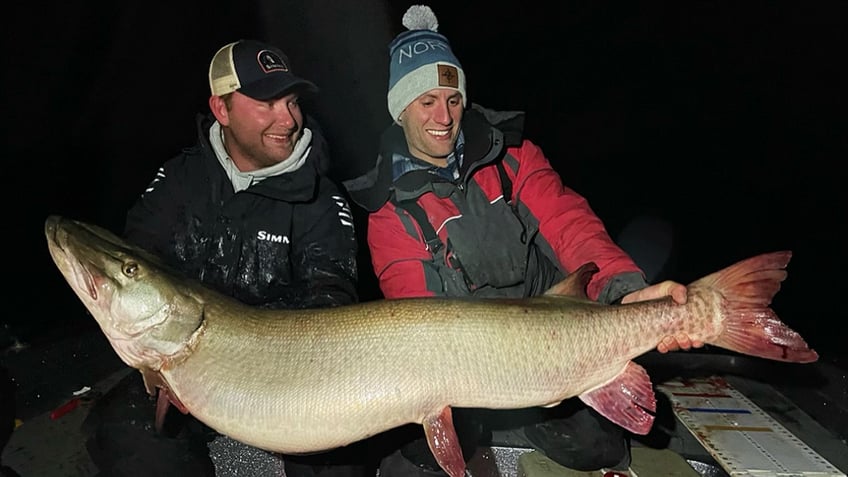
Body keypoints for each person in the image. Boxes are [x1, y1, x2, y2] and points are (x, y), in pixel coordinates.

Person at [343, 5, 701, 476]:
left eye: (452, 99)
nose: (443, 115)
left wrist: (625, 291)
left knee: (600, 452)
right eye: (425, 100)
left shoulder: (512, 157)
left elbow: (570, 224)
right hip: (466, 365)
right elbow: (418, 311)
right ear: (400, 107)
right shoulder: (389, 209)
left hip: (557, 336)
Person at [84, 39, 366, 477]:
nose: (287, 120)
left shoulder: (322, 199)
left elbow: (333, 296)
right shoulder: (180, 179)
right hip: (183, 365)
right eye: (267, 103)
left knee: (342, 463)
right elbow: (143, 260)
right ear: (222, 109)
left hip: (284, 377)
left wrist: (250, 356)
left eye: (291, 102)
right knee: (123, 433)